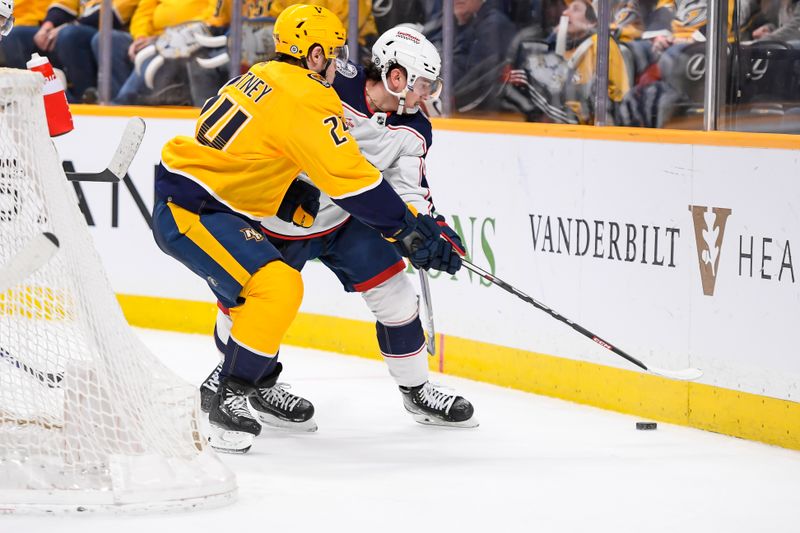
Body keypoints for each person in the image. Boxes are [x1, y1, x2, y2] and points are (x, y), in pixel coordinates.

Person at [152, 4, 463, 454]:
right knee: (257, 302)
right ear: (396, 77)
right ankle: (248, 382)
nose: (427, 96)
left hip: (344, 219)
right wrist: (403, 229)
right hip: (281, 213)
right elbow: (346, 174)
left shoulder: (412, 127)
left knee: (394, 292)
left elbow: (404, 188)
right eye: (422, 84)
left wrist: (430, 227)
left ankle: (416, 390)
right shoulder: (325, 88)